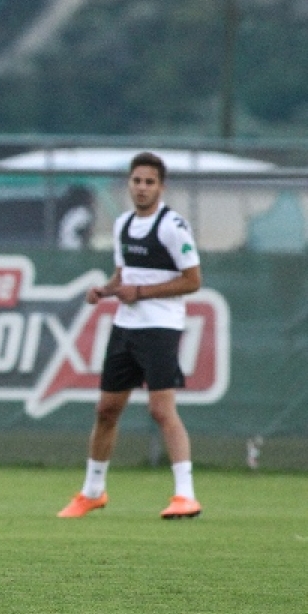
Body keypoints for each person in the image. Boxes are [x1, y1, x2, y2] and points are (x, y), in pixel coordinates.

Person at [57, 151, 203, 520]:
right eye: (137, 181)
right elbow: (124, 275)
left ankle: (185, 495)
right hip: (126, 327)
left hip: (161, 327)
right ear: (129, 183)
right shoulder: (123, 224)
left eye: (149, 182)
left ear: (161, 187)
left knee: (161, 410)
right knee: (106, 410)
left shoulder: (172, 226)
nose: (142, 188)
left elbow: (192, 281)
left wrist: (141, 293)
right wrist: (105, 291)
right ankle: (92, 492)